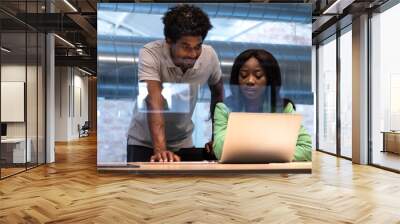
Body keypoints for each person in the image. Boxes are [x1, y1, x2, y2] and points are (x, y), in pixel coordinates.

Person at [127, 4, 224, 162]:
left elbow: (218, 91)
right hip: (144, 142)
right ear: (169, 41)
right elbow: (154, 100)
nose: (193, 54)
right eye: (185, 47)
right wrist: (160, 150)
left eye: (197, 46)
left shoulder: (209, 55)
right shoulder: (150, 53)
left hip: (183, 141)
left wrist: (217, 138)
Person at [208, 49, 312, 161]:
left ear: (270, 79)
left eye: (258, 75)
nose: (250, 81)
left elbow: (307, 150)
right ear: (236, 79)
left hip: (274, 177)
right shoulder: (224, 108)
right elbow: (220, 151)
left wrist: (247, 151)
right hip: (237, 177)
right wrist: (277, 152)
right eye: (243, 75)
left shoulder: (283, 108)